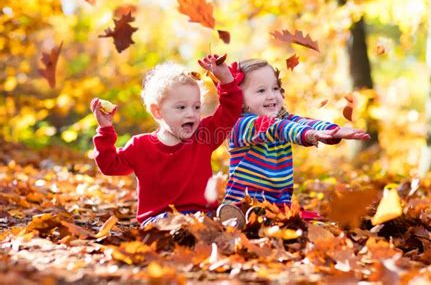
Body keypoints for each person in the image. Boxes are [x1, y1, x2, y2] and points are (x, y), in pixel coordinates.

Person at [213, 59, 370, 228]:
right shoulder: (241, 124)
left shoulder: (282, 118)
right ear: (240, 100)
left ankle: (268, 217)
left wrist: (334, 131)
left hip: (279, 203)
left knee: (307, 222)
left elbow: (302, 122)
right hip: (242, 201)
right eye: (261, 90)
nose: (272, 95)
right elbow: (277, 128)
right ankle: (240, 218)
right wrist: (308, 135)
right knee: (249, 215)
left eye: (275, 88)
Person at [91, 55, 242, 227]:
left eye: (196, 107)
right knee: (166, 223)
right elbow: (109, 165)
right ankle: (190, 230)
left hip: (202, 214)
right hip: (160, 218)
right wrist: (105, 130)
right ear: (157, 112)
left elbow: (230, 112)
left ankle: (222, 226)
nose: (191, 114)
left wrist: (226, 80)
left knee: (217, 217)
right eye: (181, 107)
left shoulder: (203, 135)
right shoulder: (140, 146)